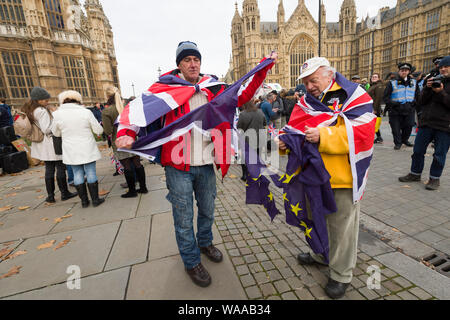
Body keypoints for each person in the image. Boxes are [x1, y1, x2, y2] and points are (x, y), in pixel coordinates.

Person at [116, 41, 277, 287]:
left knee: (207, 210)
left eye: (196, 60)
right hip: (178, 165)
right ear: (179, 64)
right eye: (187, 60)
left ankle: (205, 242)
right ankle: (191, 261)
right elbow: (136, 111)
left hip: (205, 162)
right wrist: (125, 132)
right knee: (183, 217)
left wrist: (262, 69)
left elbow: (242, 95)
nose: (193, 64)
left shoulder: (212, 87)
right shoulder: (164, 89)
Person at [276, 57, 375, 299]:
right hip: (312, 176)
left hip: (342, 177)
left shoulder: (354, 96)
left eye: (313, 80)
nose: (309, 86)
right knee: (315, 220)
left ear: (329, 75)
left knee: (341, 228)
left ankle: (341, 274)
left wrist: (324, 136)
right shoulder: (305, 102)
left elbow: (363, 133)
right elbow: (294, 129)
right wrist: (284, 142)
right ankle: (322, 255)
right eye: (306, 82)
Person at [399, 56, 450, 191]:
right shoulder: (433, 80)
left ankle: (434, 178)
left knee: (439, 154)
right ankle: (415, 174)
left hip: (445, 126)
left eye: (446, 66)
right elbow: (421, 101)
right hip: (426, 122)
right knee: (417, 151)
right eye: (441, 67)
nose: (443, 69)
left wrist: (441, 92)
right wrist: (427, 89)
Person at [22, 87, 77, 203]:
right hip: (51, 143)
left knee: (49, 169)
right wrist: (56, 120)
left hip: (42, 144)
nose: (48, 101)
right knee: (60, 167)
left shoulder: (31, 110)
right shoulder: (41, 111)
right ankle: (64, 193)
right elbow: (47, 129)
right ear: (38, 100)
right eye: (45, 100)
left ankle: (51, 196)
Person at [51, 90, 105, 208]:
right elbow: (98, 130)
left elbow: (55, 132)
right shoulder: (85, 112)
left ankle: (84, 201)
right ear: (78, 100)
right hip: (87, 146)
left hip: (70, 148)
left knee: (77, 173)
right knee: (90, 172)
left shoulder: (57, 114)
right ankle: (95, 200)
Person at [102, 86, 147, 198]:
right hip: (132, 139)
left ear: (107, 96)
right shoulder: (128, 107)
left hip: (119, 141)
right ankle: (143, 187)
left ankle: (132, 191)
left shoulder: (107, 111)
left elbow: (108, 131)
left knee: (127, 166)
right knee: (137, 163)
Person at [383, 63, 420, 150]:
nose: (404, 72)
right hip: (396, 109)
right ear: (399, 72)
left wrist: (414, 103)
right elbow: (386, 97)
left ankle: (405, 140)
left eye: (406, 70)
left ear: (409, 72)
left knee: (409, 126)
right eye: (402, 70)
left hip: (409, 108)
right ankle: (398, 143)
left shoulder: (414, 82)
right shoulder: (392, 82)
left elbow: (418, 95)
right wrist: (393, 104)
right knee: (395, 128)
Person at [237, 100, 266, 181]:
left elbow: (239, 127)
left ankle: (245, 175)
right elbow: (264, 123)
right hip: (259, 138)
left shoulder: (242, 114)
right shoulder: (260, 112)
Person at [368, 73, 385, 144]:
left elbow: (378, 98)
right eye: (373, 77)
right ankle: (379, 137)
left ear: (378, 78)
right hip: (371, 107)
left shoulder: (379, 86)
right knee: (374, 123)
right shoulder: (373, 86)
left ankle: (378, 137)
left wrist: (375, 109)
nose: (374, 78)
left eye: (376, 77)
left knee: (374, 123)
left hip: (374, 108)